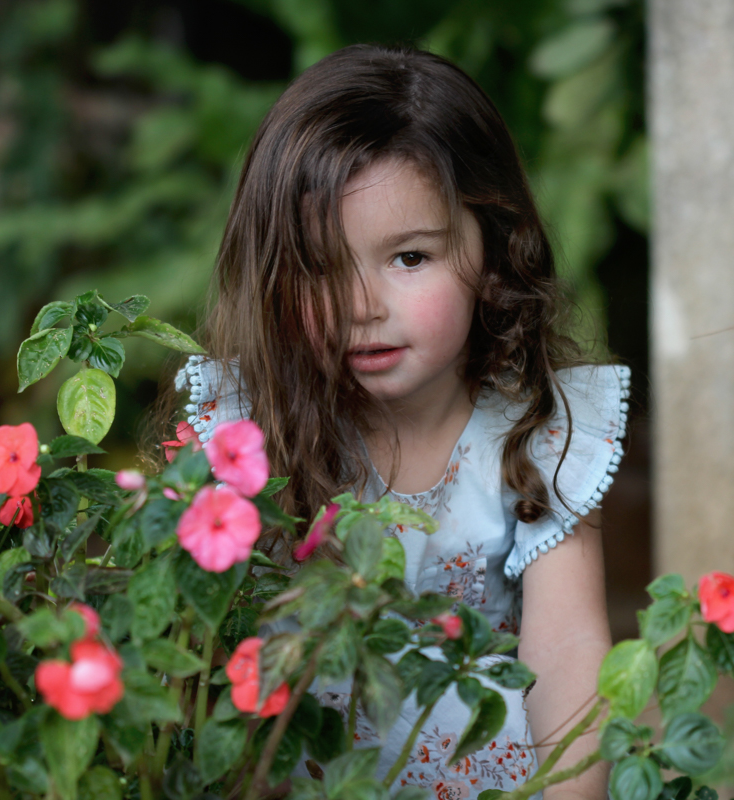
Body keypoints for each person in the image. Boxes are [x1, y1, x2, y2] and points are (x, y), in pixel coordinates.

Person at [171, 44, 628, 800]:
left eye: (409, 258)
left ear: (493, 244)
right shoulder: (247, 432)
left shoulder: (545, 434)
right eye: (319, 268)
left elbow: (571, 648)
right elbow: (202, 640)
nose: (362, 308)